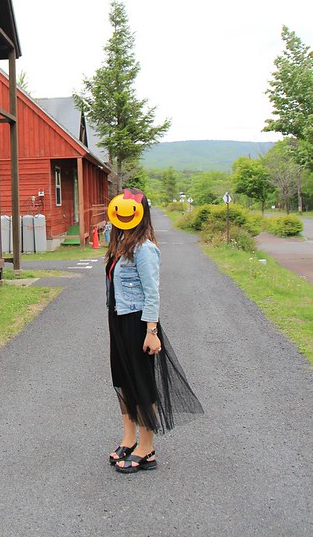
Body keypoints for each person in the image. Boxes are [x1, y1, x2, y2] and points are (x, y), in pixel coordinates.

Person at [105, 187, 203, 474]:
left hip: (138, 322)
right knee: (123, 380)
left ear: (141, 213)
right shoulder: (121, 242)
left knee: (142, 383)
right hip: (118, 318)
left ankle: (147, 448)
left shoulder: (145, 249)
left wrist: (151, 330)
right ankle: (129, 439)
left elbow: (152, 293)